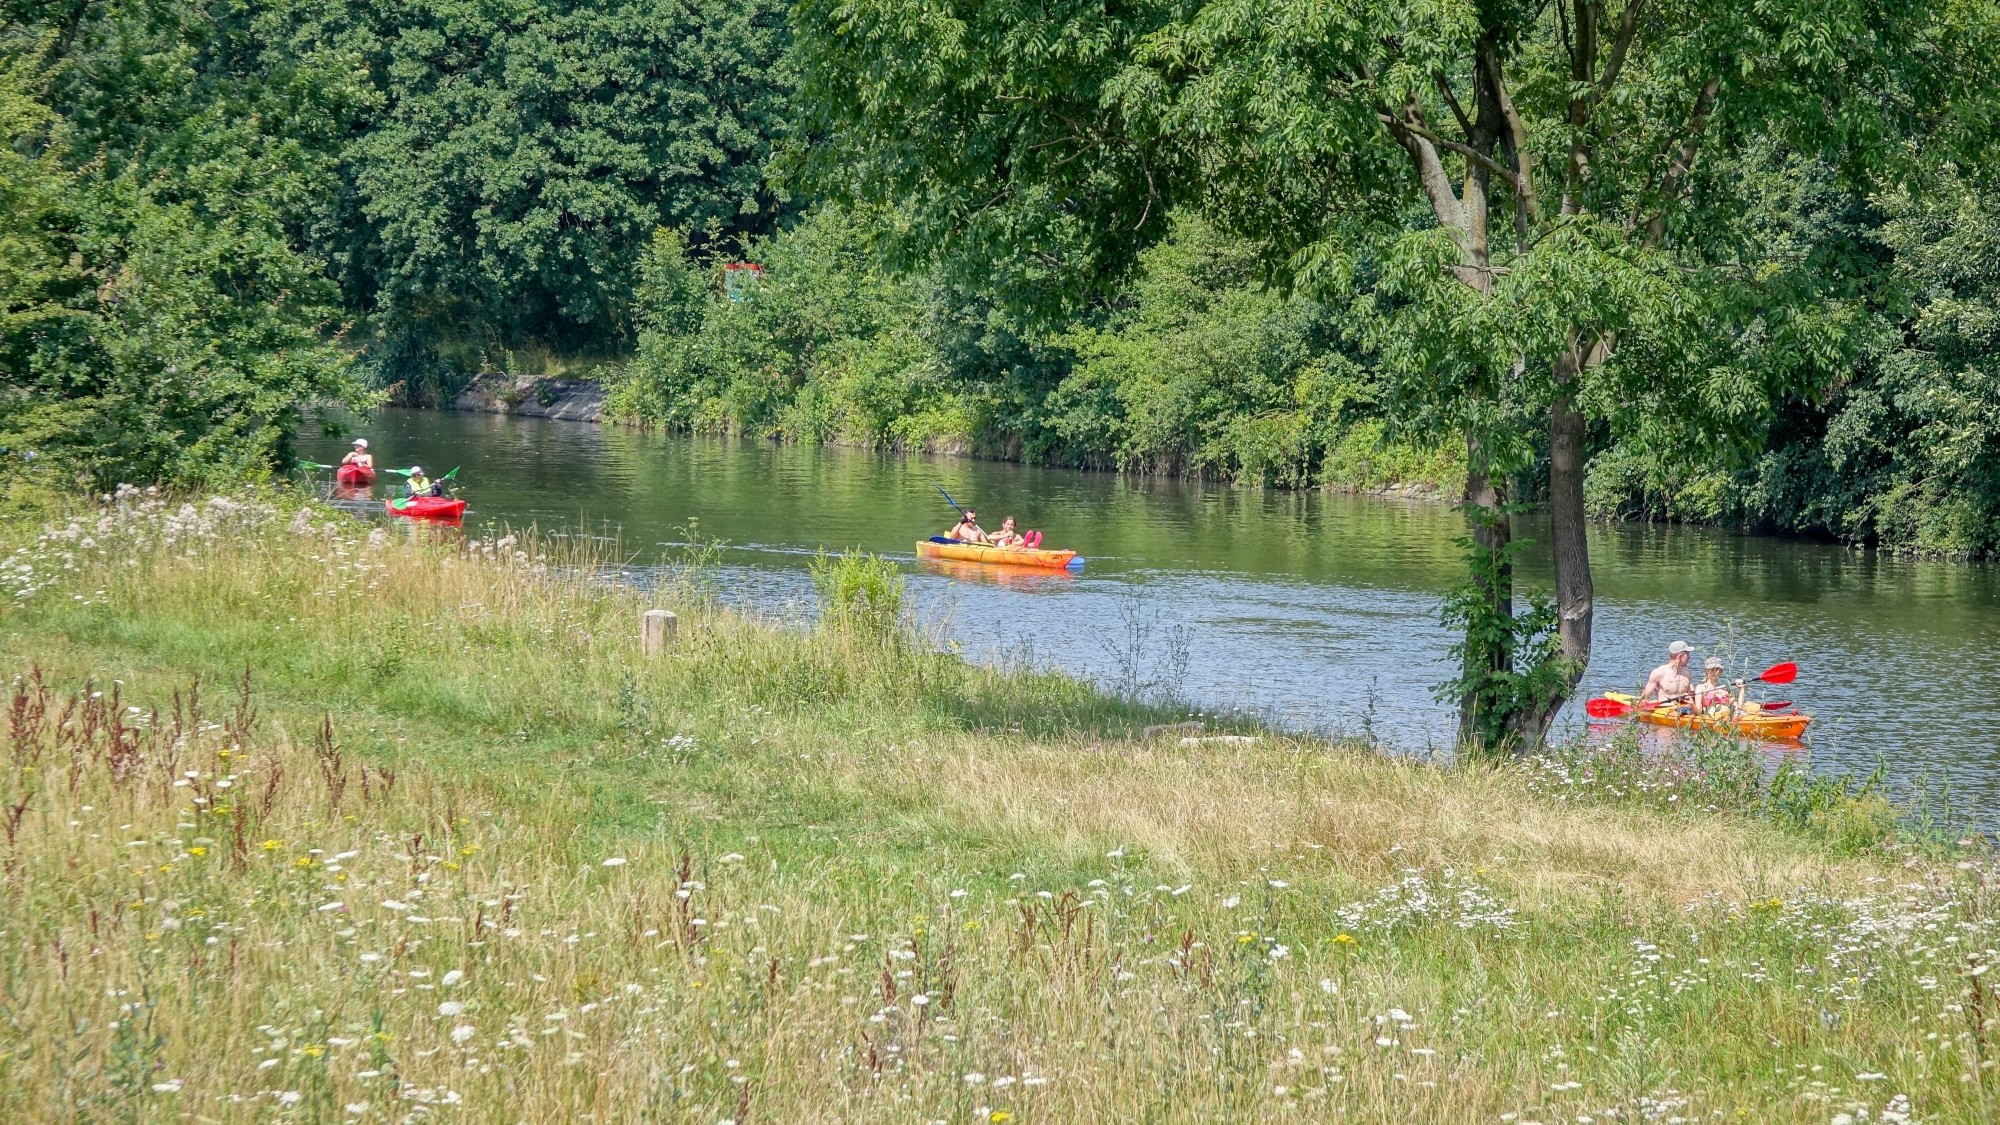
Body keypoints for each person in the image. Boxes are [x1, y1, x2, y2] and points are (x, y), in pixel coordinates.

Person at [1638, 640, 1695, 708]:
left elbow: (1692, 695)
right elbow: (1645, 698)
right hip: (1665, 710)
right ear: (1679, 656)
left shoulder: (1687, 673)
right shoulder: (1659, 673)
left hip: (1685, 710)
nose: (1689, 657)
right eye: (1687, 654)